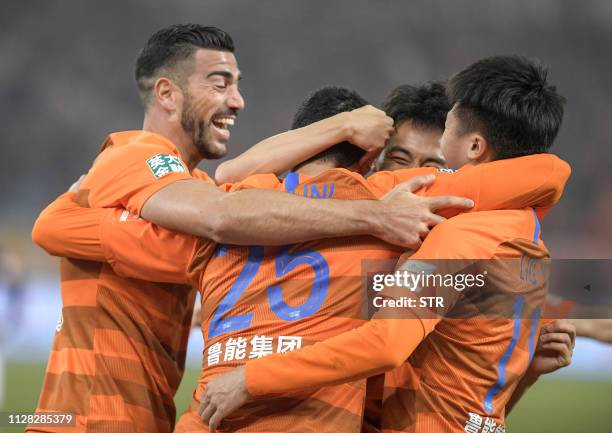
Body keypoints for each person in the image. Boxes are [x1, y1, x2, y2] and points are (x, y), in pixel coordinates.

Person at [35, 84, 570, 433]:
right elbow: (549, 174)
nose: (422, 175)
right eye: (400, 160)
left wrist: (513, 358)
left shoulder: (213, 211)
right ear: (372, 161)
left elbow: (57, 226)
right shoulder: (392, 227)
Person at [199, 56, 573, 433]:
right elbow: (474, 400)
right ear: (371, 161)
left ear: (472, 148)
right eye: (399, 158)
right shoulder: (522, 233)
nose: (411, 176)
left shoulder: (456, 237)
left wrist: (251, 378)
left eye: (434, 161)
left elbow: (387, 346)